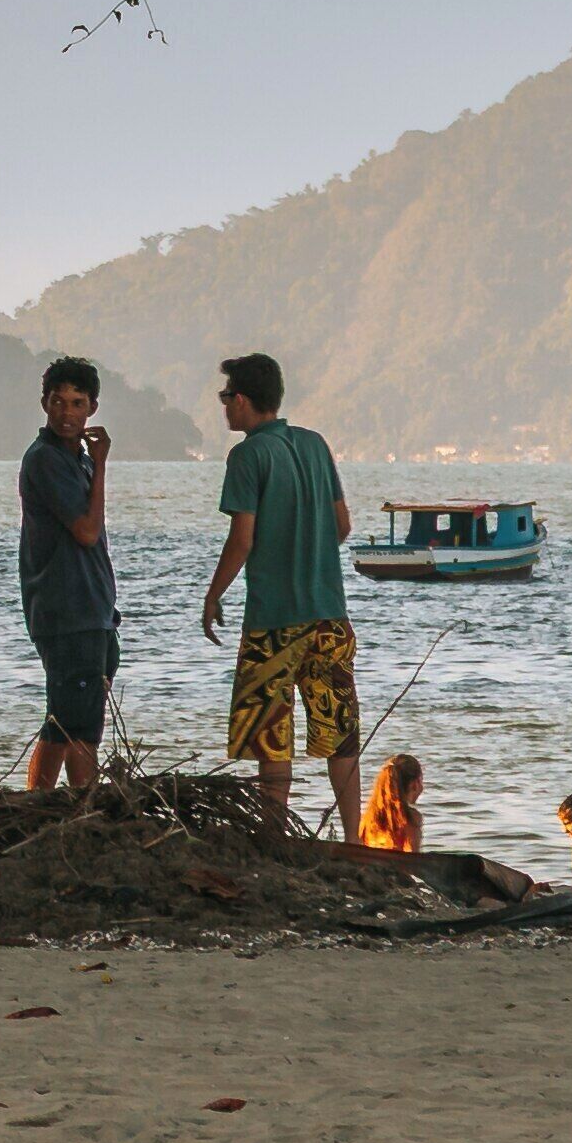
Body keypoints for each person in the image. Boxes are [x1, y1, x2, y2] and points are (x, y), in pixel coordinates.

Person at [201, 351, 361, 845]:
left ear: (243, 400)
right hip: (330, 616)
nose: (225, 407)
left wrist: (213, 595)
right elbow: (342, 525)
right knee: (339, 731)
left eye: (227, 398)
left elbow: (242, 539)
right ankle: (354, 839)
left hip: (273, 620)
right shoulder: (314, 445)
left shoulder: (247, 456)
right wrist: (308, 550)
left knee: (272, 731)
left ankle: (273, 836)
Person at [18, 356, 119, 794]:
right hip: (66, 611)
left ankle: (35, 807)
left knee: (64, 722)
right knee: (80, 729)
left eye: (77, 403)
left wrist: (92, 463)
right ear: (44, 404)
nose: (66, 413)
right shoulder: (45, 460)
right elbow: (87, 530)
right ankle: (85, 813)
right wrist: (101, 466)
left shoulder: (75, 459)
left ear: (92, 408)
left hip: (93, 610)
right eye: (58, 402)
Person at [359, 751, 425, 855]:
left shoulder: (368, 817)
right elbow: (414, 858)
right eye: (421, 780)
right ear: (415, 784)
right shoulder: (412, 818)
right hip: (395, 868)